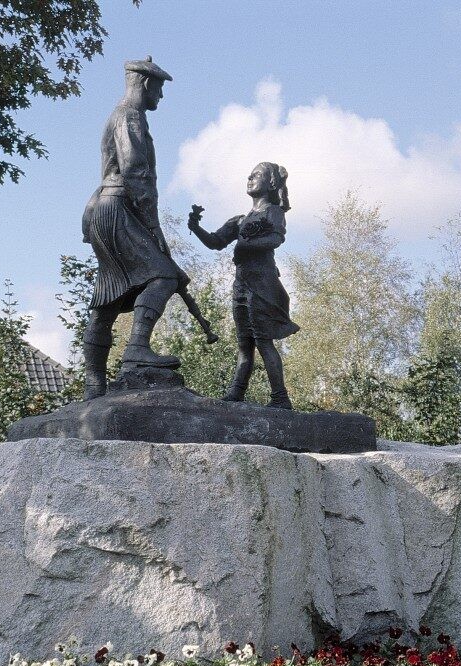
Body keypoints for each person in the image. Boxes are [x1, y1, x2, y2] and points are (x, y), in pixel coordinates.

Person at [80, 57, 189, 400]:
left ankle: (94, 385)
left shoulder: (119, 115)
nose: (161, 96)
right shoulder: (130, 117)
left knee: (108, 299)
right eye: (159, 88)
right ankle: (137, 348)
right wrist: (154, 227)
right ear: (144, 83)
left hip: (103, 210)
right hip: (119, 208)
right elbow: (135, 171)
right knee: (165, 276)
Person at [188, 162, 300, 409]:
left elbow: (276, 238)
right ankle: (236, 393)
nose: (249, 178)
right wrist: (195, 227)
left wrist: (245, 245)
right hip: (241, 285)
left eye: (256, 175)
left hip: (262, 283)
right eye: (249, 175)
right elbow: (215, 242)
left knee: (263, 341)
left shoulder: (273, 212)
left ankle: (280, 398)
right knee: (244, 343)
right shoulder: (240, 220)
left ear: (271, 183)